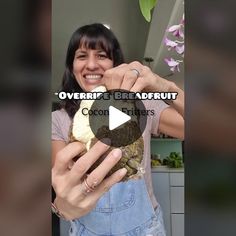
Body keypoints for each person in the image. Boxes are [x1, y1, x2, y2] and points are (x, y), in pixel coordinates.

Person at [52, 23, 184, 236]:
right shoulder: (58, 120)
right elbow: (65, 187)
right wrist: (63, 206)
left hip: (145, 229)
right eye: (82, 56)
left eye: (102, 55)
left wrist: (166, 87)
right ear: (71, 65)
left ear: (114, 63)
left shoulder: (141, 105)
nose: (92, 65)